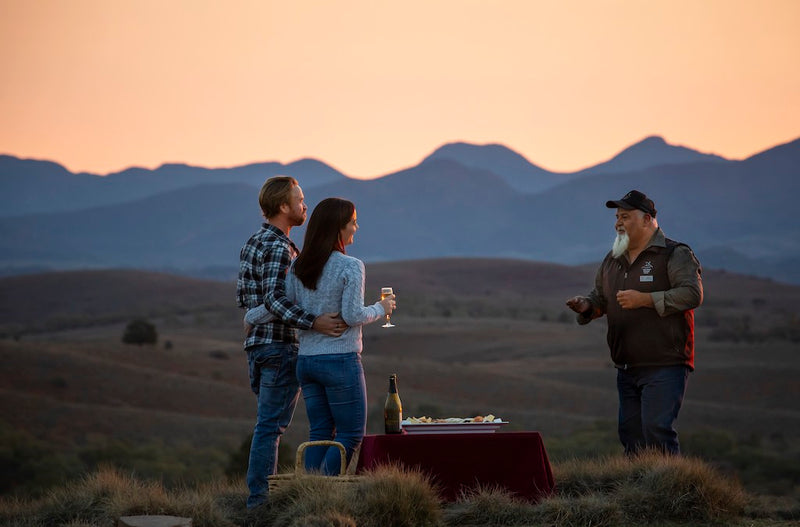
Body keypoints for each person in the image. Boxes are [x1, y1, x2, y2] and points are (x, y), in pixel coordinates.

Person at [245, 197, 395, 475]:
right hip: (339, 361)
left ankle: (309, 494)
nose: (356, 227)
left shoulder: (299, 266)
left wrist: (250, 318)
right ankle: (323, 493)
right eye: (352, 222)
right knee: (350, 434)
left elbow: (277, 303)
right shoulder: (351, 266)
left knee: (321, 433)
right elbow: (352, 316)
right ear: (338, 227)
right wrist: (381, 307)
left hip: (307, 362)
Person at [566, 190, 703, 456]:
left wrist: (646, 300)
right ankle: (638, 493)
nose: (618, 222)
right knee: (630, 434)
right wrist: (587, 306)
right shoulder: (613, 259)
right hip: (627, 365)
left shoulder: (674, 254)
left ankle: (669, 493)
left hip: (665, 362)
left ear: (648, 220)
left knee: (656, 430)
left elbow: (692, 294)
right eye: (617, 217)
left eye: (625, 216)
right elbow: (601, 298)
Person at [236, 176, 345, 509]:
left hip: (257, 347)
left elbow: (245, 298)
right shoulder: (281, 247)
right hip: (280, 346)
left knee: (267, 424)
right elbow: (273, 298)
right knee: (271, 426)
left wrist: (254, 318)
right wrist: (314, 321)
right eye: (299, 200)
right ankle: (259, 504)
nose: (304, 206)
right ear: (283, 206)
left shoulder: (254, 241)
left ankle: (259, 498)